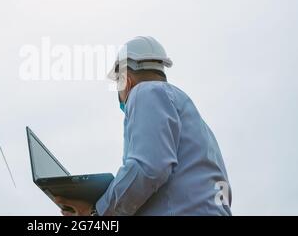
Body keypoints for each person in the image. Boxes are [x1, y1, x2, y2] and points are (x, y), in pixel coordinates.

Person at [55, 36, 232, 216]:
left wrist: (96, 212)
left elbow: (148, 168)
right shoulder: (196, 123)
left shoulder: (145, 92)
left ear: (126, 80)